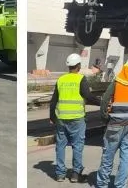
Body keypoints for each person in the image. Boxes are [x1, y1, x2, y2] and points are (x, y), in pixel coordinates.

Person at [95, 56, 128, 188]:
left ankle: (102, 184)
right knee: (126, 157)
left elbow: (105, 101)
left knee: (108, 155)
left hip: (115, 124)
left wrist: (105, 118)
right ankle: (120, 185)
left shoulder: (117, 82)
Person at [49, 53, 100, 183]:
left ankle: (60, 174)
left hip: (61, 118)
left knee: (60, 145)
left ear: (68, 66)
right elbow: (88, 96)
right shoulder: (80, 79)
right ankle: (75, 174)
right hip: (77, 118)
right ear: (78, 66)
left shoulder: (61, 80)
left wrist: (52, 116)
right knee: (77, 146)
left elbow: (54, 100)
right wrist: (101, 103)